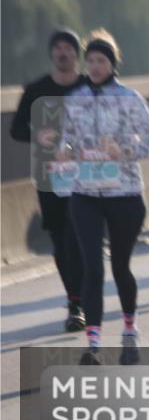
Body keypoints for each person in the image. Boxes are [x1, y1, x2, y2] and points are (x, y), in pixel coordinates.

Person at [57, 29, 149, 359]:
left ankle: (129, 330)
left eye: (101, 60)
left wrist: (123, 149)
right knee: (92, 268)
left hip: (125, 194)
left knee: (119, 266)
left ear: (112, 64)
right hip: (85, 193)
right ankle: (94, 344)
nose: (95, 66)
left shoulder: (130, 99)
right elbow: (67, 142)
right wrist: (69, 151)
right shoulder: (75, 100)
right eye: (90, 60)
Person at [9, 28, 86, 331]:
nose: (63, 53)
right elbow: (16, 130)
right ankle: (74, 299)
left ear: (76, 54)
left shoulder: (88, 86)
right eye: (58, 48)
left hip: (85, 174)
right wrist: (37, 135)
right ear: (51, 54)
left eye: (68, 48)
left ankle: (78, 303)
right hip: (50, 175)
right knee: (60, 238)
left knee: (78, 235)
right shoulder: (36, 89)